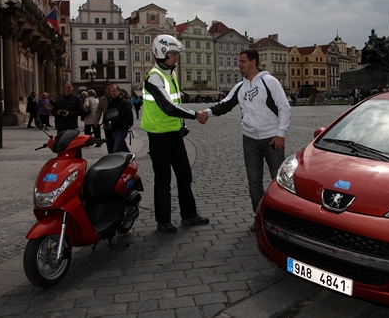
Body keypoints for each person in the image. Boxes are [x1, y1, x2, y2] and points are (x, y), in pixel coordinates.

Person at [204, 48, 291, 231]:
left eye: (242, 61)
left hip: (272, 139)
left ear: (253, 61)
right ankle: (260, 218)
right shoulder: (240, 87)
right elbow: (225, 104)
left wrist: (280, 134)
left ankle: (281, 221)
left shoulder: (269, 82)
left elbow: (284, 107)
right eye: (239, 61)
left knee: (278, 181)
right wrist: (207, 113)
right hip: (250, 140)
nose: (239, 64)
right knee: (254, 182)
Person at [142, 34, 210, 233]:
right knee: (163, 179)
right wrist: (194, 114)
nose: (176, 58)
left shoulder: (169, 74)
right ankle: (163, 221)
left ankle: (189, 215)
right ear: (162, 53)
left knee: (184, 175)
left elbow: (174, 106)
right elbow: (168, 106)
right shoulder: (154, 77)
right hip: (158, 136)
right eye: (173, 54)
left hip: (173, 134)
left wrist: (181, 126)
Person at [107, 84, 134, 153]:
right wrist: (108, 122)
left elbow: (129, 115)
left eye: (114, 91)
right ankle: (131, 158)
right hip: (114, 128)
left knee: (116, 149)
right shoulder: (110, 102)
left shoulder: (124, 102)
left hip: (122, 128)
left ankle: (117, 162)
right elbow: (108, 114)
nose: (113, 93)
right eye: (111, 91)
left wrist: (125, 125)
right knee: (122, 146)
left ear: (119, 91)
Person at [94, 83, 115, 154]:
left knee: (116, 141)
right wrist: (96, 120)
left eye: (110, 88)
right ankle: (111, 155)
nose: (109, 90)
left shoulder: (116, 98)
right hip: (106, 124)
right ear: (105, 90)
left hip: (116, 124)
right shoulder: (102, 100)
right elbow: (98, 110)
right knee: (109, 141)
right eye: (108, 89)